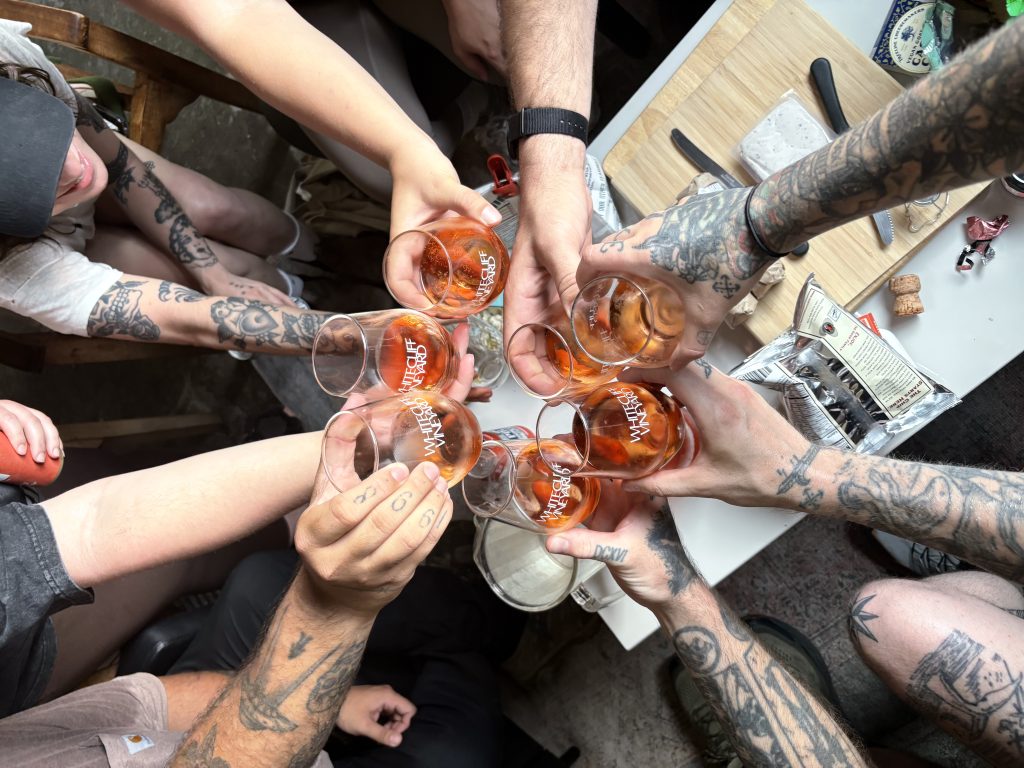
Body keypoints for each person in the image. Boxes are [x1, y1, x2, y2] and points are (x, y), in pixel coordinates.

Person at [0, 461, 456, 768]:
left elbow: (153, 706)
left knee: (259, 579)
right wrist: (337, 610)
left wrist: (332, 704)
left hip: (226, 721)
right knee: (454, 748)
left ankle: (475, 623)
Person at [116, 0, 503, 239]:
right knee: (390, 175)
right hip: (304, 8)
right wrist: (406, 149)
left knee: (516, 45)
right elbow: (234, 13)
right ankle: (476, 101)